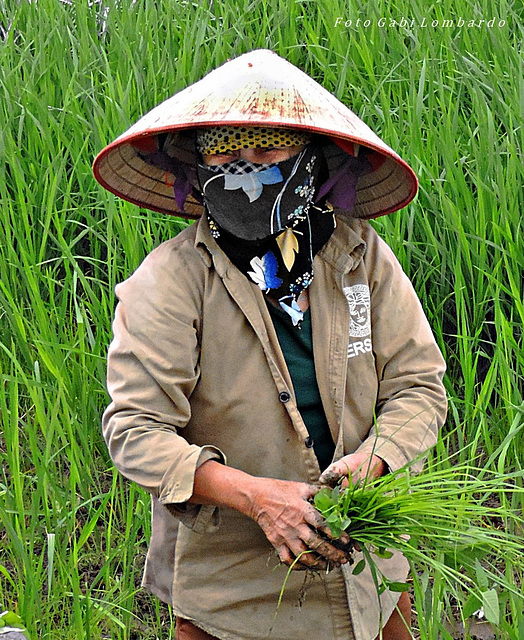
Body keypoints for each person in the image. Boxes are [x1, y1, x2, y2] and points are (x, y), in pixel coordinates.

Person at [94, 50, 447, 640]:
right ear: (200, 166)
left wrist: (376, 458)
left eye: (267, 151)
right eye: (226, 153)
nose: (245, 170)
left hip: (366, 573)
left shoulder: (359, 258)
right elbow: (135, 429)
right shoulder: (172, 281)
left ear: (310, 162)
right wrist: (256, 497)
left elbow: (418, 386)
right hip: (233, 591)